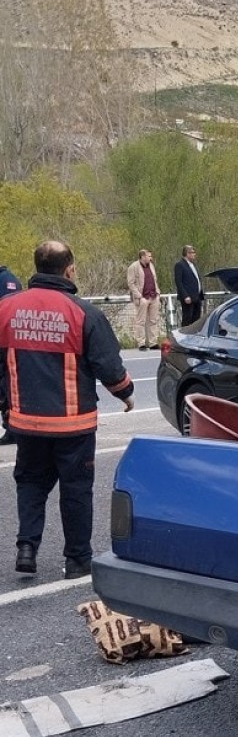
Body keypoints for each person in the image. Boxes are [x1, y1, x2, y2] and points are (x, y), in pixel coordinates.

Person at [0, 240, 135, 579]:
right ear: (69, 269)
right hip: (72, 425)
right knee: (75, 490)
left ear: (35, 267)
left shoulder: (7, 309)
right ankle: (77, 561)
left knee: (30, 483)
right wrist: (126, 394)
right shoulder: (83, 312)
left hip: (26, 421)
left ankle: (27, 547)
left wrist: (6, 404)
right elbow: (109, 367)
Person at [0, 264, 21, 445]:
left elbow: (9, 310)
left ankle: (11, 428)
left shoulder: (6, 280)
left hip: (6, 341)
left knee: (6, 385)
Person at [126, 249, 161, 350]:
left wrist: (158, 293)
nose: (151, 258)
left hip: (153, 296)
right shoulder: (133, 267)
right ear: (142, 257)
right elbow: (131, 283)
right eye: (149, 256)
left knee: (153, 320)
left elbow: (155, 280)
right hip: (142, 298)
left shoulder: (151, 266)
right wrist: (139, 296)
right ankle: (141, 342)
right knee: (140, 321)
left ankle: (153, 342)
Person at [173, 244, 204, 326]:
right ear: (187, 253)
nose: (194, 254)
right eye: (193, 252)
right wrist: (185, 296)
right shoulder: (180, 265)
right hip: (188, 297)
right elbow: (178, 282)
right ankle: (184, 336)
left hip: (197, 296)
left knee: (196, 319)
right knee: (187, 318)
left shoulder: (193, 265)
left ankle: (194, 336)